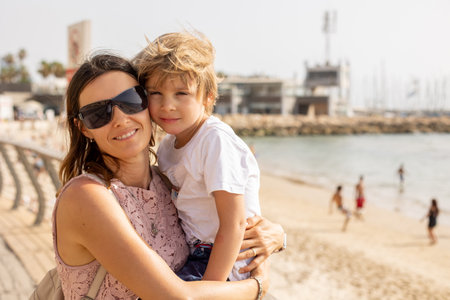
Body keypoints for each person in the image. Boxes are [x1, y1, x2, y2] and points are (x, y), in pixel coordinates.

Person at [55, 53, 283, 299]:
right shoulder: (87, 197)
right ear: (84, 128)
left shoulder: (167, 184)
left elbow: (234, 222)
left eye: (131, 100)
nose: (120, 119)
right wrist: (258, 285)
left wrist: (277, 235)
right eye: (98, 113)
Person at [136, 31, 262, 282]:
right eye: (155, 93)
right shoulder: (167, 147)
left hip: (222, 257)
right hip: (193, 251)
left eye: (181, 94)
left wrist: (210, 288)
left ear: (208, 97)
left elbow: (234, 223)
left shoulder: (214, 141)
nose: (167, 105)